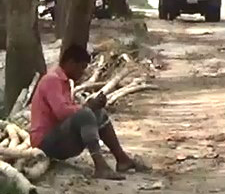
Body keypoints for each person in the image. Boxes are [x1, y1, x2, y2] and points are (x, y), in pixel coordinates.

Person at [31, 44, 148, 179]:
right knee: (85, 114)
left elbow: (68, 112)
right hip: (45, 143)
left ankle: (122, 159)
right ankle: (100, 166)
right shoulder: (52, 80)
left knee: (99, 113)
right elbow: (61, 112)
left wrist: (92, 107)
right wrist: (87, 107)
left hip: (59, 137)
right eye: (81, 67)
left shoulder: (63, 81)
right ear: (71, 63)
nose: (82, 72)